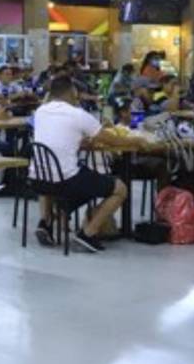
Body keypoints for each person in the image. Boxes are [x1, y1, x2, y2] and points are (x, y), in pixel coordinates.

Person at [31, 75, 134, 252]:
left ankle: (47, 221)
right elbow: (111, 140)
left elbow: (58, 138)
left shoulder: (40, 112)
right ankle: (87, 233)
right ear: (73, 91)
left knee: (85, 176)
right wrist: (138, 141)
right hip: (65, 181)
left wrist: (78, 140)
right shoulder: (78, 115)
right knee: (120, 189)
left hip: (38, 179)